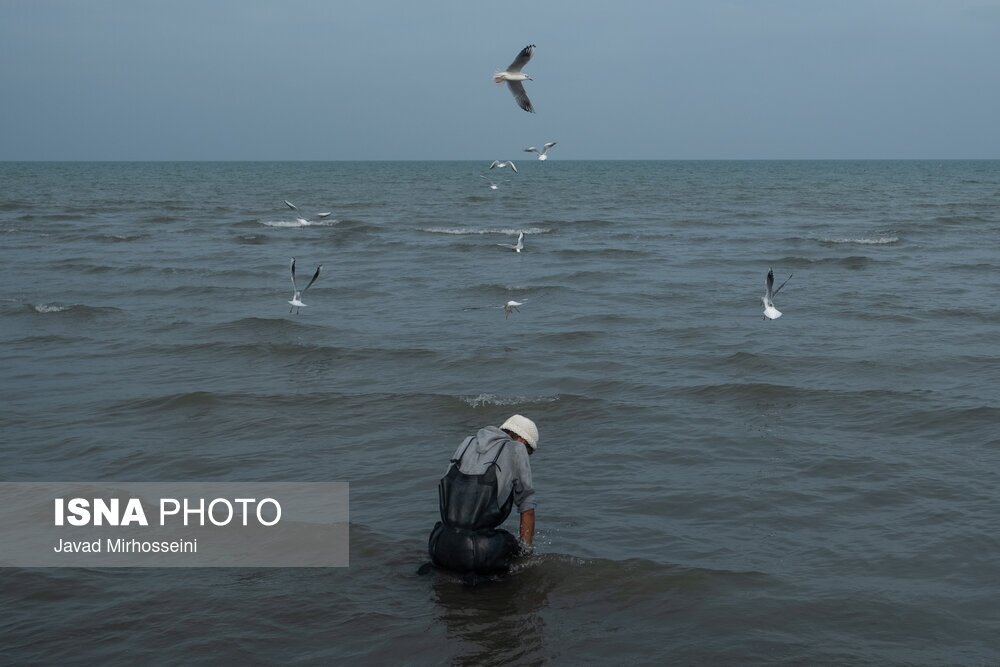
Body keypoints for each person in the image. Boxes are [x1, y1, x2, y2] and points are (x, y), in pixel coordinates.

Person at [427, 414, 538, 575]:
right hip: (478, 553)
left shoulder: (468, 442)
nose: (527, 457)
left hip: (439, 543)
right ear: (522, 440)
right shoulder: (517, 449)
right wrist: (526, 556)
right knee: (513, 548)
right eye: (529, 452)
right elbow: (527, 508)